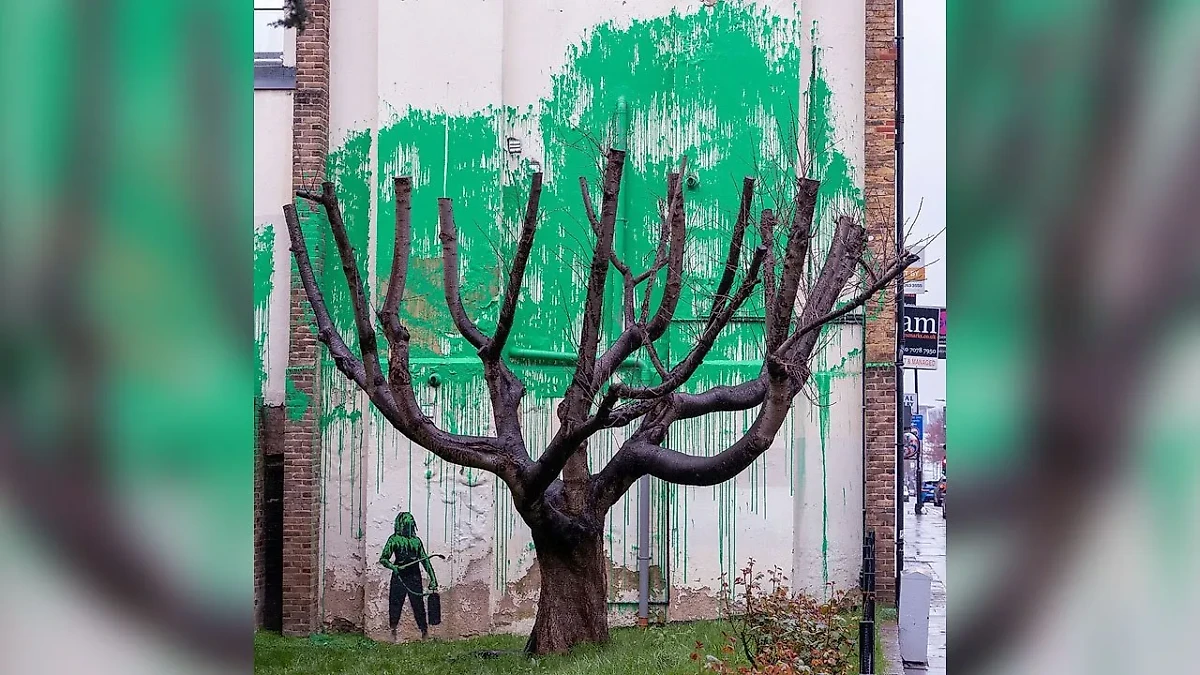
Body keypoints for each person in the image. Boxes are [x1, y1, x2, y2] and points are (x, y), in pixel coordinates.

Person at [379, 512, 438, 639]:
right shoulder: (394, 539)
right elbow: (383, 559)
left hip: (414, 576)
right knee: (395, 604)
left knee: (418, 605)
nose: (409, 528)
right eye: (406, 526)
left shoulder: (416, 541)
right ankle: (393, 632)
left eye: (411, 525)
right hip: (399, 576)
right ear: (401, 526)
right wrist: (393, 567)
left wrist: (433, 578)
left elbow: (425, 561)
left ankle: (424, 632)